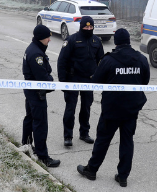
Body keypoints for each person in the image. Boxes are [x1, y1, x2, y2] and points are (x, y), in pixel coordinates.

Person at [77, 28, 150, 188]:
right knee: (127, 141)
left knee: (103, 140)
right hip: (131, 109)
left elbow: (96, 82)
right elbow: (145, 81)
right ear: (129, 41)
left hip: (112, 109)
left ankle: (92, 170)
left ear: (116, 42)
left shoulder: (108, 60)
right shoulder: (141, 59)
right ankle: (123, 176)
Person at [56, 16, 104, 147]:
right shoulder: (72, 40)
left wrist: (99, 77)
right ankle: (68, 136)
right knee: (70, 108)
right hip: (73, 79)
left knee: (86, 107)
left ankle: (84, 133)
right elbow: (62, 61)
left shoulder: (96, 41)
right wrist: (63, 81)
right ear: (81, 26)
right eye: (86, 26)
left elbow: (102, 61)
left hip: (89, 80)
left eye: (90, 27)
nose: (88, 29)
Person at [20, 24, 60, 167]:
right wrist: (51, 81)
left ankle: (26, 144)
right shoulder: (36, 54)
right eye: (47, 37)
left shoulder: (33, 48)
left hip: (31, 91)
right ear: (40, 38)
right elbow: (43, 77)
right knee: (40, 123)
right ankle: (43, 156)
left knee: (30, 118)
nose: (49, 39)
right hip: (36, 93)